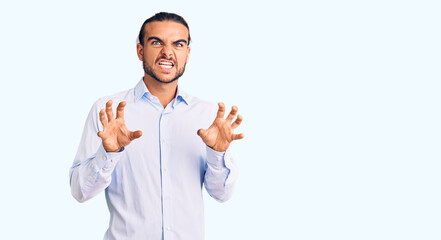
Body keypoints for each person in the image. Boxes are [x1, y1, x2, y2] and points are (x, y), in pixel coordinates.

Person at [69, 12, 244, 240]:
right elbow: (80, 192)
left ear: (187, 53)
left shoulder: (208, 116)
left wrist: (217, 153)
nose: (167, 52)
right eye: (156, 42)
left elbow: (221, 194)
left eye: (178, 44)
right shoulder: (108, 111)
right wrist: (108, 153)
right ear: (140, 50)